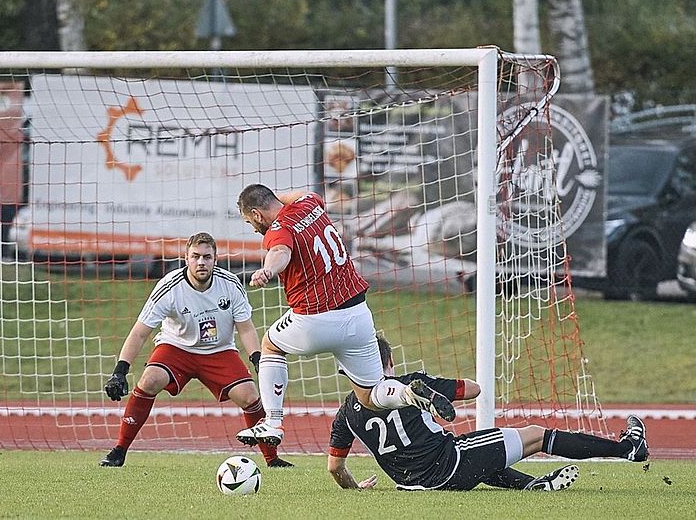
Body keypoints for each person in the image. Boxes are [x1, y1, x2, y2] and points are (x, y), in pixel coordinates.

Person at [234, 184, 455, 448]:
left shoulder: (277, 229)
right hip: (358, 316)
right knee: (371, 395)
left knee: (270, 345)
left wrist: (268, 271)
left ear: (257, 214)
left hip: (315, 319)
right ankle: (408, 393)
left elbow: (281, 252)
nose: (253, 227)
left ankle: (272, 422)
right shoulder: (309, 205)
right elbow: (298, 195)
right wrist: (272, 197)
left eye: (250, 222)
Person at [327, 331, 650, 491]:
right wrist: (436, 386)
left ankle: (529, 486)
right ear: (388, 363)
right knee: (534, 435)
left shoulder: (345, 415)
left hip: (411, 483)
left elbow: (335, 468)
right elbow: (473, 389)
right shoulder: (410, 380)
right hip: (447, 466)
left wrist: (355, 489)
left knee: (482, 448)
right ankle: (628, 449)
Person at [100, 232, 293, 468]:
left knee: (250, 396)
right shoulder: (169, 287)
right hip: (176, 348)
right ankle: (119, 450)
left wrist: (257, 360)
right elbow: (140, 331)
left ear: (215, 258)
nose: (201, 262)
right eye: (196, 257)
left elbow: (245, 329)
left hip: (219, 351)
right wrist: (120, 370)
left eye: (207, 257)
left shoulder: (231, 285)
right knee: (150, 380)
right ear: (186, 258)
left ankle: (272, 460)